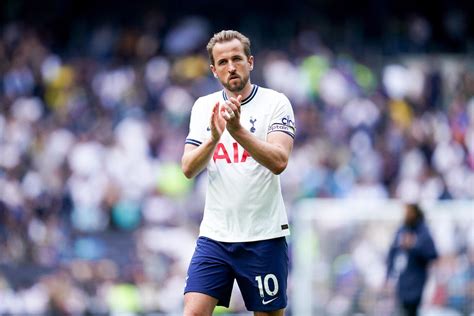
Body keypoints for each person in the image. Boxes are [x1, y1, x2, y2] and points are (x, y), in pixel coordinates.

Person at [181, 30, 295, 316]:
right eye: (222, 62)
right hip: (216, 236)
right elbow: (188, 168)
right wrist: (214, 137)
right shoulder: (204, 107)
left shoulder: (275, 103)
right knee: (193, 313)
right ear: (213, 70)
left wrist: (238, 132)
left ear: (251, 62)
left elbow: (279, 160)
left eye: (236, 59)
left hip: (264, 237)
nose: (231, 67)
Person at [386, 203, 438, 316]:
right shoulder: (402, 229)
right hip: (401, 280)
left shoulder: (424, 232)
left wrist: (414, 245)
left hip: (418, 281)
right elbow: (392, 252)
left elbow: (433, 254)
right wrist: (388, 275)